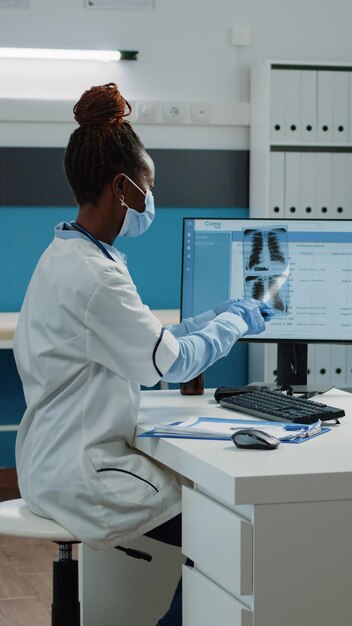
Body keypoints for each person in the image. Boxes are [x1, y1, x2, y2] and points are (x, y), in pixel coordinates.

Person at [13, 83, 274, 626]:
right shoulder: (94, 278)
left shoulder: (68, 255)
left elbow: (147, 343)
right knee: (223, 523)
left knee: (214, 520)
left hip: (50, 460)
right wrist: (236, 321)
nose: (151, 201)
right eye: (148, 188)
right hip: (81, 477)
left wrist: (209, 319)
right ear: (123, 187)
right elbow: (170, 364)